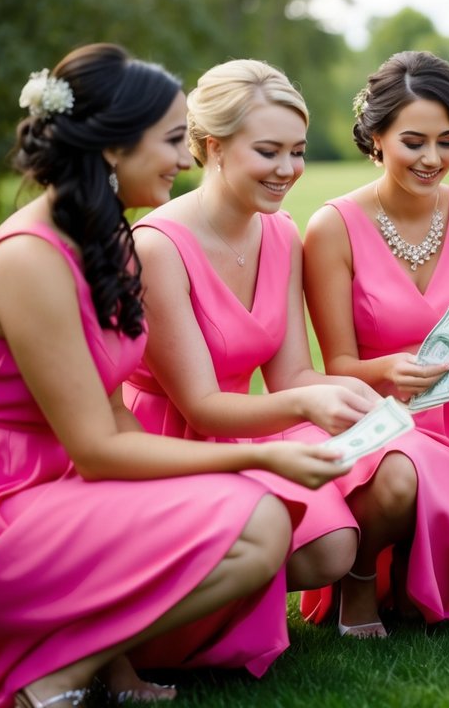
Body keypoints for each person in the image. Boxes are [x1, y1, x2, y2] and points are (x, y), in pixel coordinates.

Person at [0, 44, 347, 708]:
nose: (186, 158)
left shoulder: (104, 241)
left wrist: (252, 459)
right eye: (175, 140)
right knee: (258, 523)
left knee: (259, 510)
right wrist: (267, 454)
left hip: (56, 483)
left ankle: (107, 672)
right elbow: (97, 449)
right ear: (113, 148)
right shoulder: (29, 259)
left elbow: (116, 419)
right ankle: (55, 675)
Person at [123, 59, 380, 600]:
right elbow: (201, 407)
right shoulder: (157, 247)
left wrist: (346, 390)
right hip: (168, 443)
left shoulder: (282, 232)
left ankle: (229, 592)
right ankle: (156, 601)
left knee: (334, 547)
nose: (287, 169)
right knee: (307, 538)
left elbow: (290, 374)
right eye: (268, 152)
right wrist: (308, 407)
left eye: (298, 151)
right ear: (213, 147)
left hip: (250, 424)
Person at [301, 51, 449, 638]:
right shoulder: (332, 227)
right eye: (414, 141)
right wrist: (388, 368)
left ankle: (417, 575)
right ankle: (358, 577)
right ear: (377, 136)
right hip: (369, 418)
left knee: (420, 469)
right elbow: (335, 364)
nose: (433, 159)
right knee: (397, 474)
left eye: (447, 141)